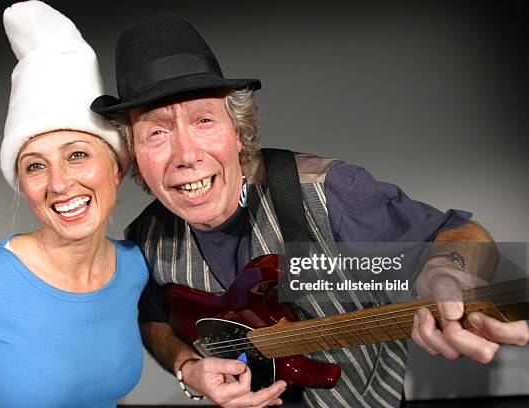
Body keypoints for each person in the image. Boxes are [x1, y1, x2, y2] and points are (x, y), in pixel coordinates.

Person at [91, 15, 529, 408]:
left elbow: (459, 233)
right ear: (134, 157)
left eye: (204, 120)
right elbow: (152, 320)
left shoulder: (331, 191)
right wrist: (189, 368)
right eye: (157, 133)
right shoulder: (146, 237)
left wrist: (450, 273)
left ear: (238, 134)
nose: (186, 154)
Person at [0, 2, 147, 407]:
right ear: (21, 183)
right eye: (35, 165)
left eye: (77, 154)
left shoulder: (134, 265)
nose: (58, 183)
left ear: (116, 168)